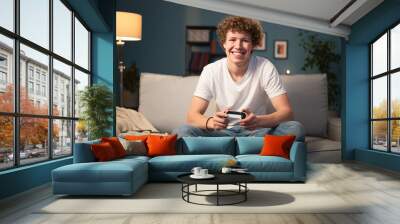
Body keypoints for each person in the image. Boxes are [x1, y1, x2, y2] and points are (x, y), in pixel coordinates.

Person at [173, 16, 305, 141]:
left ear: (253, 45)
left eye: (245, 40)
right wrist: (211, 122)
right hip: (222, 133)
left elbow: (287, 113)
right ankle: (243, 148)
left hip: (256, 133)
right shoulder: (211, 70)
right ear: (224, 43)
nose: (238, 45)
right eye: (232, 39)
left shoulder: (265, 67)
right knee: (182, 131)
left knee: (295, 128)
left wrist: (259, 121)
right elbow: (191, 116)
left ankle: (227, 149)